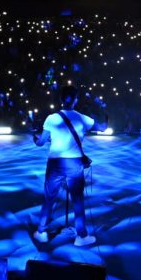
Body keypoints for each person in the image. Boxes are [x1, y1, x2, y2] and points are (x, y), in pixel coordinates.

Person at [32, 85, 108, 247]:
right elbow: (103, 128)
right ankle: (81, 236)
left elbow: (40, 143)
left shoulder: (51, 118)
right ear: (75, 100)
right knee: (78, 200)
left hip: (55, 163)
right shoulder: (82, 118)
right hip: (74, 163)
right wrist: (104, 111)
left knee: (49, 198)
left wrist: (35, 138)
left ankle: (42, 232)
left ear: (61, 99)